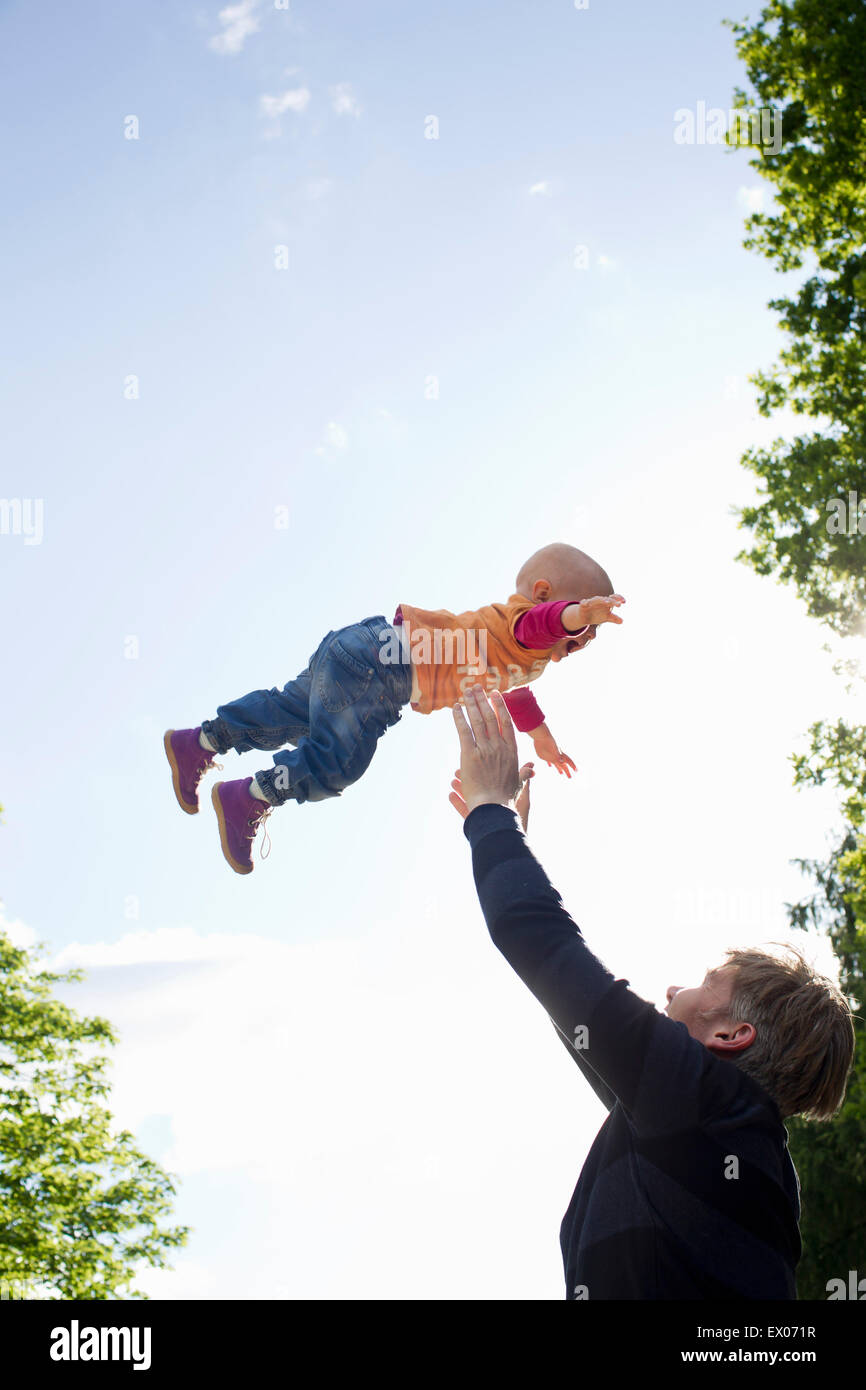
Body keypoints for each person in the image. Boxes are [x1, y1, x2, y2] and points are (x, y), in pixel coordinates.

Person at [450, 685, 856, 1300]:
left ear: (729, 1035)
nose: (673, 987)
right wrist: (511, 848)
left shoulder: (710, 1106)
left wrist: (490, 815)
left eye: (705, 983)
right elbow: (572, 1007)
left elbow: (545, 947)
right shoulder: (719, 1137)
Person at [163, 542, 624, 873]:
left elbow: (516, 692)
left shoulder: (516, 657)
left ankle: (200, 742)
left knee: (289, 711)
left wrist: (542, 739)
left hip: (363, 646)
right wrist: (578, 617)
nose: (587, 638)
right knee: (337, 763)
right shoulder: (525, 625)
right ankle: (251, 795)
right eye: (585, 627)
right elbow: (545, 626)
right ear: (545, 595)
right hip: (383, 673)